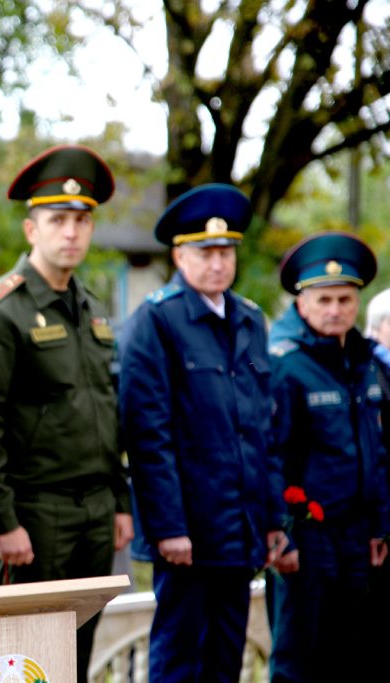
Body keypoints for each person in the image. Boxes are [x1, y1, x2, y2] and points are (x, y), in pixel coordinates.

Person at [0, 144, 133, 683]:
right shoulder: (0, 310)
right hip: (37, 516)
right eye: (58, 219)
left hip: (96, 511)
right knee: (27, 660)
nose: (72, 232)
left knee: (78, 657)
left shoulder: (91, 307)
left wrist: (120, 502)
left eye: (81, 220)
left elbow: (109, 410)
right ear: (32, 229)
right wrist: (4, 521)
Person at [118, 183, 285, 682]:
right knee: (179, 656)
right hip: (189, 527)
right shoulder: (155, 321)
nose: (218, 263)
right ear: (179, 254)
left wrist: (273, 517)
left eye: (226, 251)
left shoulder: (250, 320)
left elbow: (263, 429)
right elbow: (148, 434)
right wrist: (169, 527)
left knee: (225, 657)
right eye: (205, 252)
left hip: (241, 526)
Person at [267, 232, 390, 682]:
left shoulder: (365, 362)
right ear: (302, 303)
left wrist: (381, 524)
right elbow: (271, 455)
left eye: (344, 298)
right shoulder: (285, 364)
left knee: (353, 655)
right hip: (309, 535)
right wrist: (283, 533)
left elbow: (377, 453)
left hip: (358, 535)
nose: (335, 309)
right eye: (324, 300)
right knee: (299, 659)